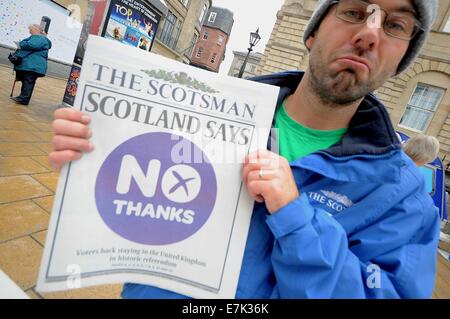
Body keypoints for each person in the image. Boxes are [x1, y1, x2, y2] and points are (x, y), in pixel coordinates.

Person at [49, 0, 441, 298]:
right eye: (355, 12)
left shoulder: (404, 200)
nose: (370, 34)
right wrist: (98, 155)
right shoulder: (194, 115)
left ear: (399, 61)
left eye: (395, 24)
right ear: (312, 33)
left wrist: (298, 220)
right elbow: (138, 211)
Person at [10, 24, 52, 106]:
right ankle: (23, 97)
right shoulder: (40, 39)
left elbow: (32, 45)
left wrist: (21, 43)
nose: (29, 31)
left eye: (30, 29)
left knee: (28, 81)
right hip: (31, 65)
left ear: (35, 30)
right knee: (27, 81)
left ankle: (24, 99)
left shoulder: (39, 38)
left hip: (33, 65)